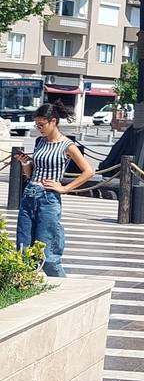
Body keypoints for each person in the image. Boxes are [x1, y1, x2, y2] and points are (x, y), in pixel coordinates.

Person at [16, 102, 94, 278]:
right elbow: (30, 173)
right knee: (23, 247)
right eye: (36, 125)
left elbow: (89, 171)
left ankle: (61, 285)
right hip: (30, 194)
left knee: (47, 251)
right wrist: (25, 162)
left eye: (41, 125)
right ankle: (24, 286)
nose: (39, 129)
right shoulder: (40, 142)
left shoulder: (67, 145)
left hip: (48, 198)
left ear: (53, 121)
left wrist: (65, 188)